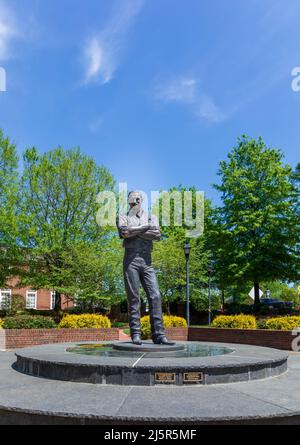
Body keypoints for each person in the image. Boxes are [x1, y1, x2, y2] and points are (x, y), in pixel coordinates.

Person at [117, 191, 172, 345]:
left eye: (138, 197)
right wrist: (146, 228)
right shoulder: (122, 216)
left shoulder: (151, 217)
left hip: (147, 261)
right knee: (134, 298)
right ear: (129, 201)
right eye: (133, 198)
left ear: (142, 200)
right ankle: (135, 334)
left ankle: (159, 335)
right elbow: (125, 233)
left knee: (155, 295)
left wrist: (136, 230)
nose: (136, 200)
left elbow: (157, 235)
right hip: (131, 260)